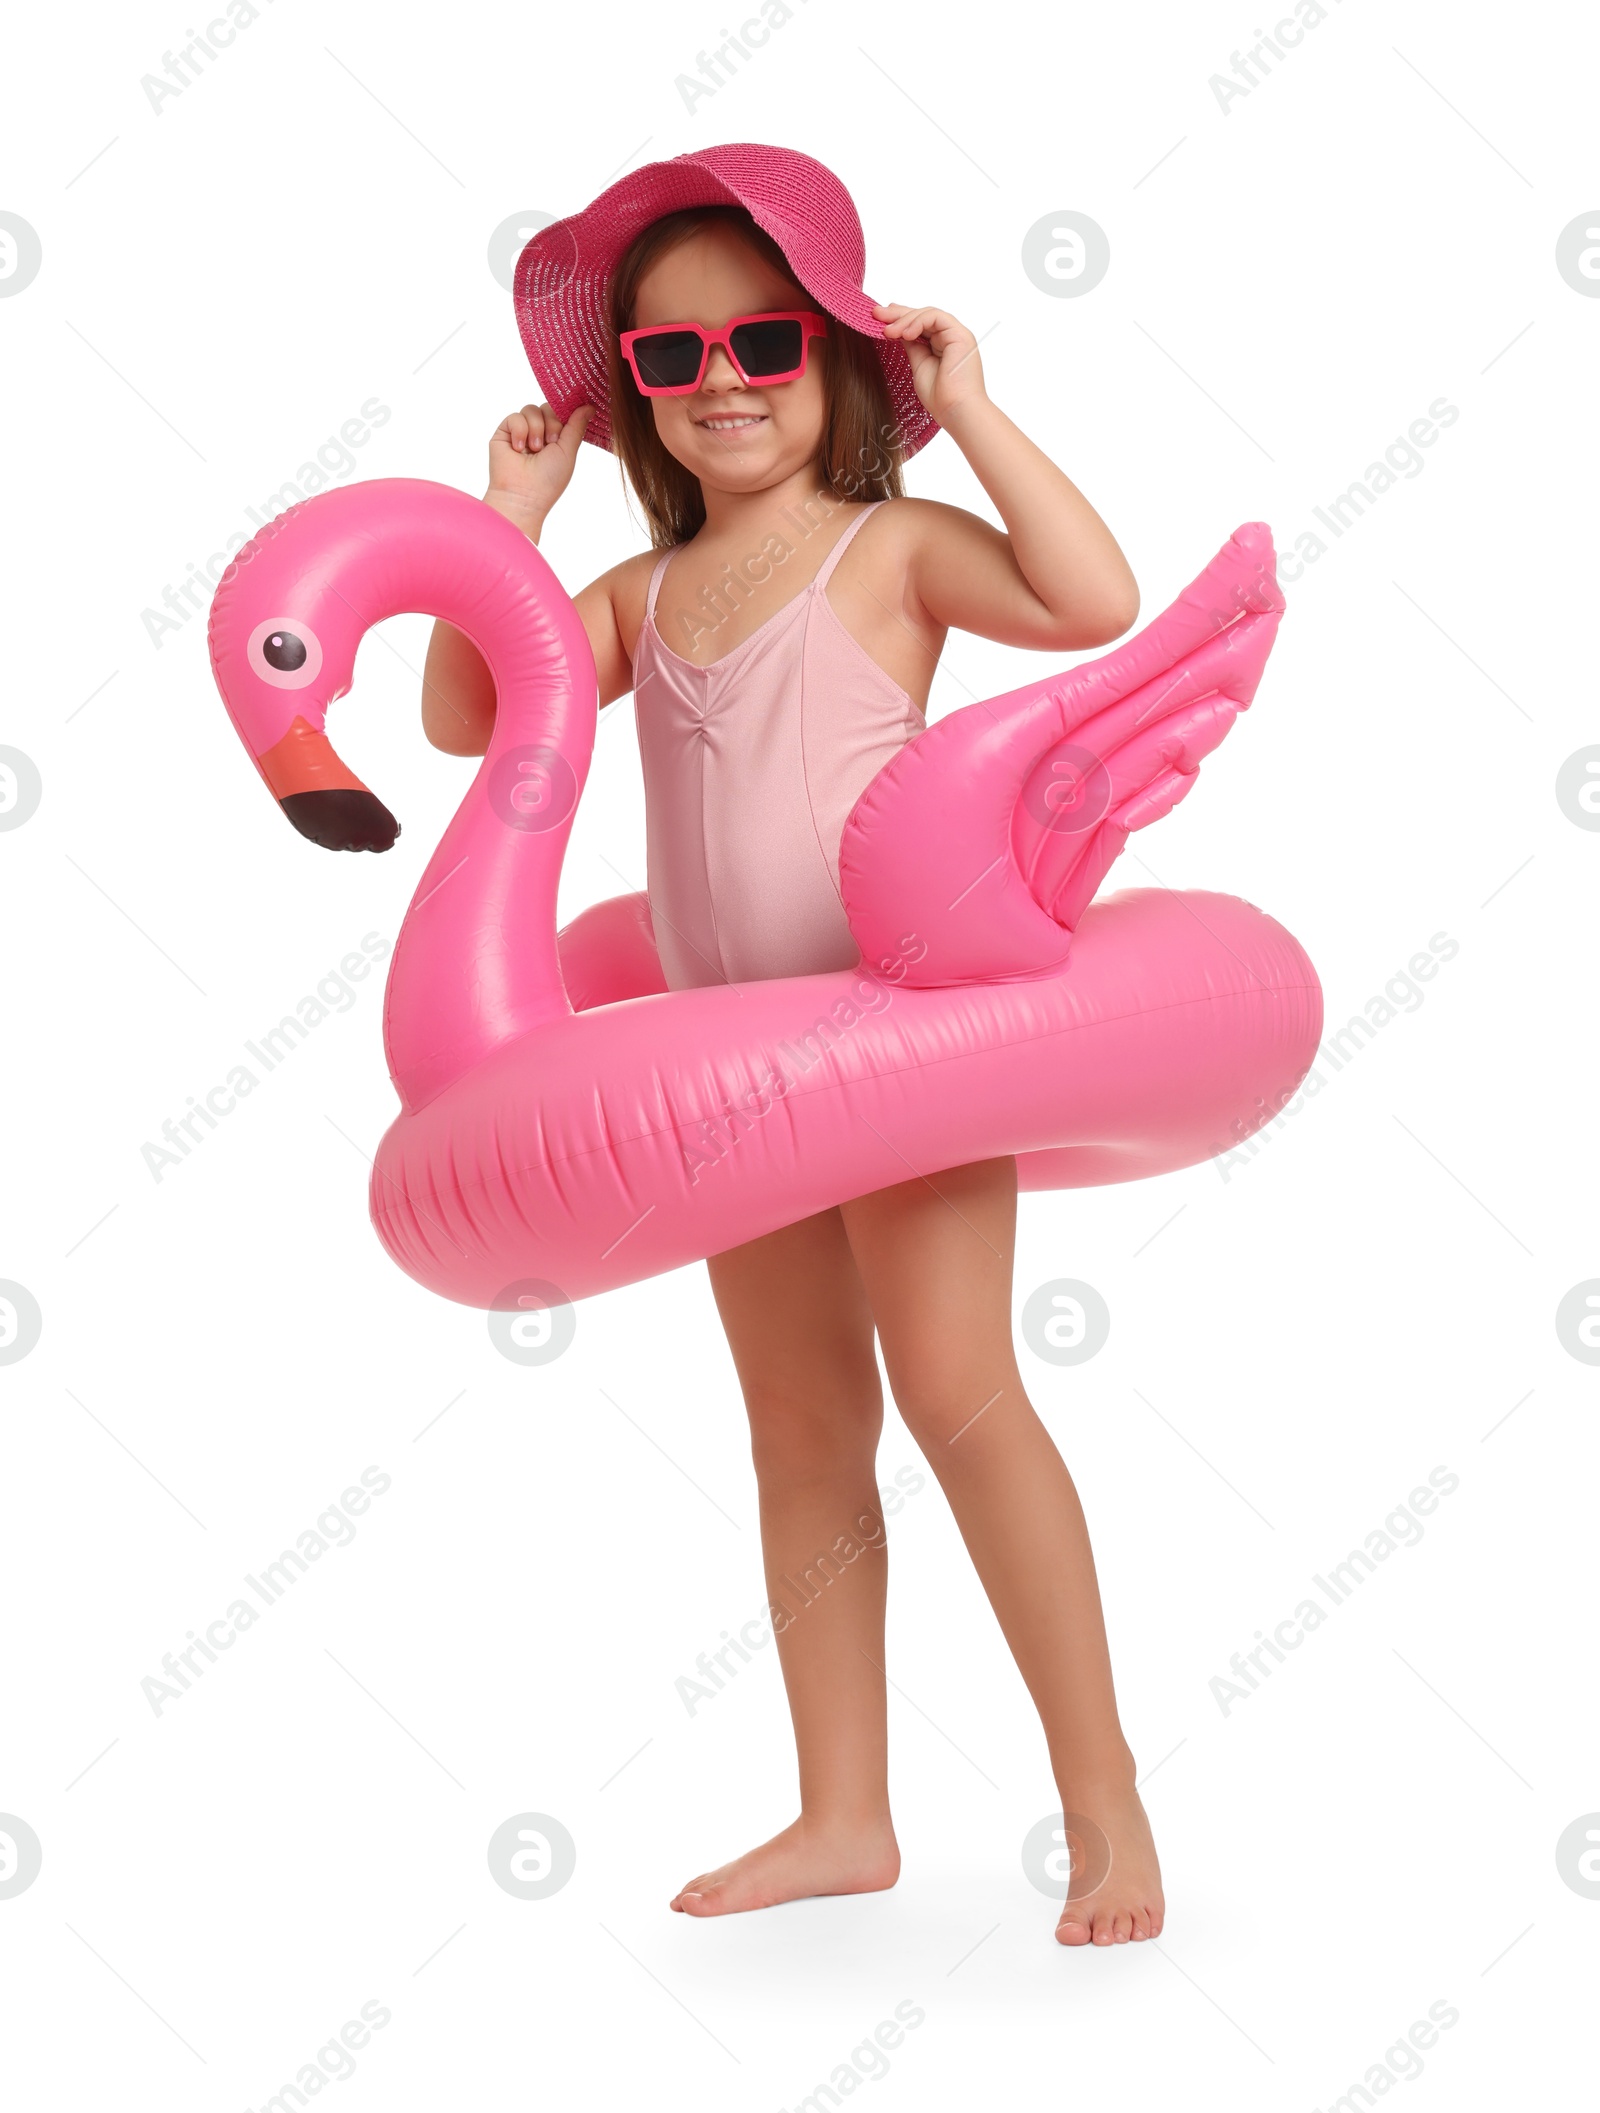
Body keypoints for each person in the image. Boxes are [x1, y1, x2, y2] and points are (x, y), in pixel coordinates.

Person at [421, 144, 1160, 1946]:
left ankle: (1104, 1796)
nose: (720, 383)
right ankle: (845, 1811)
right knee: (802, 1430)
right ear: (630, 409)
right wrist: (506, 517)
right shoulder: (634, 595)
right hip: (731, 1077)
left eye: (761, 339)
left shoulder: (892, 547)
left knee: (963, 1393)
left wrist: (973, 409)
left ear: (840, 361)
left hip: (900, 1045)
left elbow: (1093, 603)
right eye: (666, 361)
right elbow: (462, 714)